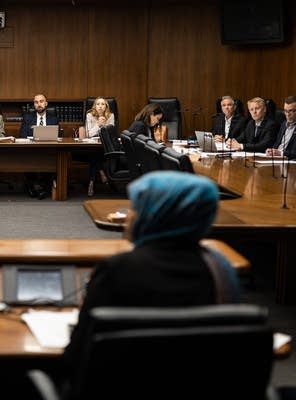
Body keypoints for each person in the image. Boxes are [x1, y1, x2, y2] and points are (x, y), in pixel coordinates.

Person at [63, 170, 241, 386]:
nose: (128, 216)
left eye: (136, 209)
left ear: (155, 216)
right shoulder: (221, 269)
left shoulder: (118, 270)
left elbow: (76, 356)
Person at [19, 93, 59, 199]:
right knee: (27, 159)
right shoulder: (27, 118)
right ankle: (38, 187)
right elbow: (22, 136)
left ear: (46, 103)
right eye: (36, 102)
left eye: (41, 101)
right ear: (34, 105)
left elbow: (57, 136)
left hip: (49, 150)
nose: (39, 104)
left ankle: (35, 187)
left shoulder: (53, 119)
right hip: (31, 150)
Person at [74, 97, 115, 196]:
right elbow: (89, 134)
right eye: (98, 104)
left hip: (104, 147)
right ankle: (100, 173)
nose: (100, 106)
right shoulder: (89, 115)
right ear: (94, 106)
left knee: (95, 155)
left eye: (103, 104)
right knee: (94, 154)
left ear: (106, 106)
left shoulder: (110, 116)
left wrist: (104, 126)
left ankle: (91, 183)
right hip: (91, 146)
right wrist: (98, 125)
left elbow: (110, 134)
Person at [266, 95, 296, 160]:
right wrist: (272, 151)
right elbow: (277, 143)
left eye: (291, 111)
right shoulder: (283, 124)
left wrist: (281, 153)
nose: (287, 114)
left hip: (289, 161)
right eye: (285, 111)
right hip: (276, 159)